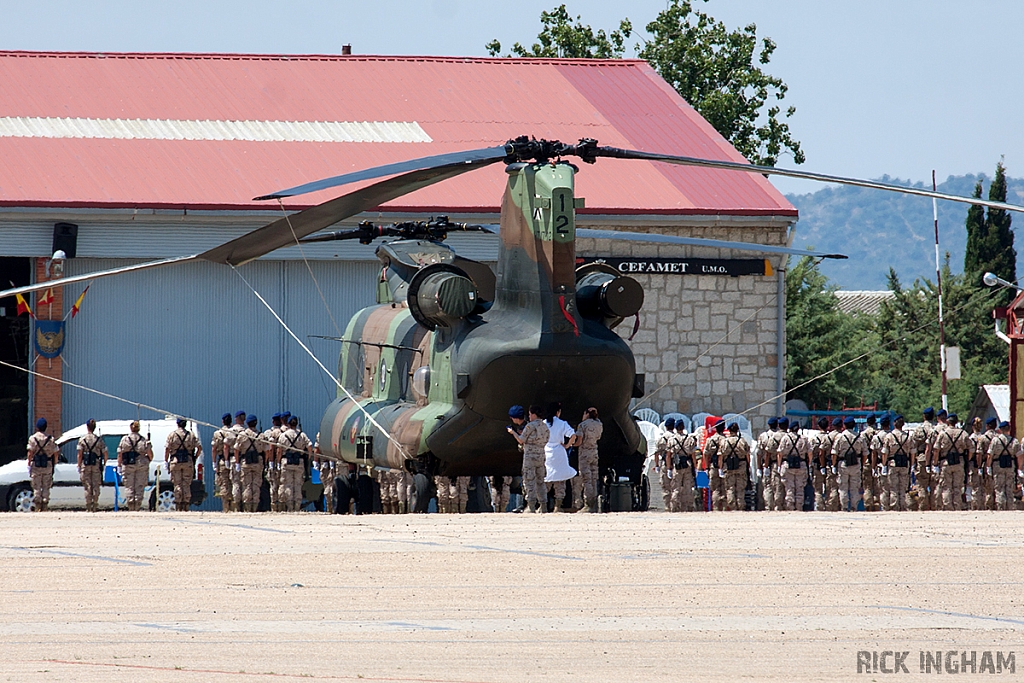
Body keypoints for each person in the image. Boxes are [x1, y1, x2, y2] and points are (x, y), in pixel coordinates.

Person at [508, 405, 548, 513]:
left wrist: (513, 433)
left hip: (530, 457)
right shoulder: (544, 426)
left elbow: (521, 440)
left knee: (529, 481)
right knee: (541, 481)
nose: (529, 416)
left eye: (530, 414)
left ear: (534, 414)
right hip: (541, 455)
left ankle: (531, 506)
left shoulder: (530, 426)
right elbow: (547, 439)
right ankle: (543, 505)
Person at [933, 413, 971, 511]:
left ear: (947, 421)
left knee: (946, 487)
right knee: (957, 487)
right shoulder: (963, 433)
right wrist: (967, 459)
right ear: (956, 422)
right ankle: (957, 506)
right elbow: (972, 449)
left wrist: (935, 463)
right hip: (959, 461)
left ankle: (948, 507)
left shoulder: (943, 433)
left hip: (946, 462)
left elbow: (936, 450)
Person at [543, 402, 576, 512]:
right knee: (560, 480)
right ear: (558, 412)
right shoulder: (562, 423)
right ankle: (558, 506)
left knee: (545, 480)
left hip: (546, 452)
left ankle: (542, 506)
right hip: (559, 453)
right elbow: (573, 435)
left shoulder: (543, 424)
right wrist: (567, 445)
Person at [831, 416, 867, 512]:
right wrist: (861, 464)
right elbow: (865, 454)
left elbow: (834, 453)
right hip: (856, 463)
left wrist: (834, 465)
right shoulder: (860, 437)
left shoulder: (840, 437)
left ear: (844, 425)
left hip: (843, 464)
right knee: (854, 487)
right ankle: (854, 507)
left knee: (843, 487)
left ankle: (844, 507)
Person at [165, 417, 201, 511]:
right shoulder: (191, 435)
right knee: (186, 484)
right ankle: (186, 505)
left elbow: (167, 449)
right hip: (187, 461)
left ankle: (178, 505)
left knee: (177, 484)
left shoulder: (172, 435)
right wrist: (194, 458)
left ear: (177, 424)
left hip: (175, 461)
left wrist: (166, 461)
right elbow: (199, 448)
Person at [277, 415, 312, 512]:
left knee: (288, 484)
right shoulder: (302, 435)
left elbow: (279, 450)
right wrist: (308, 457)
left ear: (288, 423)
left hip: (286, 462)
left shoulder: (283, 435)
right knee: (298, 484)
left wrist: (278, 462)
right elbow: (310, 446)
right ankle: (297, 506)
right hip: (299, 462)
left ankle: (290, 506)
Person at [572, 407, 603, 513]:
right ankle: (594, 503)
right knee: (594, 478)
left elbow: (579, 441)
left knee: (586, 479)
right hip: (594, 452)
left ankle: (588, 504)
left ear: (586, 414)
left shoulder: (582, 425)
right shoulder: (599, 424)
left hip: (584, 454)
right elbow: (598, 437)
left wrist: (572, 445)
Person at [117, 420, 153, 512]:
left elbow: (120, 454)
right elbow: (150, 454)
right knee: (139, 486)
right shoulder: (144, 440)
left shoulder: (125, 439)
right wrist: (147, 460)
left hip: (128, 464)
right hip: (141, 464)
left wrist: (119, 466)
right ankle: (137, 507)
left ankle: (130, 507)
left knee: (129, 486)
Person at [232, 414, 265, 512]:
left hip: (245, 461)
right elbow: (267, 450)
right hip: (257, 462)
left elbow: (236, 450)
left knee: (247, 485)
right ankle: (254, 506)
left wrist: (237, 463)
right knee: (256, 485)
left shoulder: (242, 435)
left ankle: (247, 506)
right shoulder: (261, 435)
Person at [26, 417, 59, 512]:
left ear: (37, 427)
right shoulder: (50, 439)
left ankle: (37, 505)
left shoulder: (33, 438)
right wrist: (55, 463)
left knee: (36, 486)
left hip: (36, 465)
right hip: (47, 465)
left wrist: (29, 463)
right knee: (46, 486)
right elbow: (56, 452)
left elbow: (30, 453)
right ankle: (45, 504)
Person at [987, 421, 1021, 511]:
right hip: (1010, 466)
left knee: (999, 488)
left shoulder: (995, 440)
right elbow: (1019, 456)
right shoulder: (1014, 441)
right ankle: (1010, 507)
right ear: (1009, 429)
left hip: (998, 466)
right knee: (1009, 488)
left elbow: (990, 455)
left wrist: (988, 467)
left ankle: (1001, 507)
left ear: (1000, 430)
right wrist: (1019, 468)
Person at [881, 415, 912, 511]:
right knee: (903, 487)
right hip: (904, 463)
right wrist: (911, 464)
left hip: (893, 463)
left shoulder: (889, 436)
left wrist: (884, 465)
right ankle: (903, 506)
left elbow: (885, 453)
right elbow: (913, 452)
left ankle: (895, 507)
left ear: (894, 424)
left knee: (893, 487)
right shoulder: (908, 436)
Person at [776, 420, 808, 511]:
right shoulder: (803, 439)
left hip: (788, 464)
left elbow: (780, 453)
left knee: (789, 487)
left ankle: (790, 507)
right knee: (800, 487)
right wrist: (808, 464)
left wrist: (779, 465)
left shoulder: (785, 438)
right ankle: (799, 506)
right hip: (801, 464)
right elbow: (809, 452)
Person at [76, 418, 108, 512]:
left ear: (87, 427)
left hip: (85, 464)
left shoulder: (82, 439)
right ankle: (95, 504)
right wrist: (104, 463)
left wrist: (78, 465)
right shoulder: (99, 440)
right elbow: (105, 453)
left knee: (87, 485)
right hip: (96, 464)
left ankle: (88, 505)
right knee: (96, 485)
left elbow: (80, 454)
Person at [911, 407, 937, 511]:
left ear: (924, 416)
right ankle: (935, 507)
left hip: (921, 458)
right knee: (935, 485)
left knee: (922, 485)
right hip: (935, 459)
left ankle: (923, 508)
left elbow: (913, 446)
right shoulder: (936, 429)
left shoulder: (918, 429)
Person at [718, 422, 749, 511]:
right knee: (740, 488)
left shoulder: (724, 442)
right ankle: (740, 505)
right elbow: (747, 455)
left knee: (730, 488)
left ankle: (732, 506)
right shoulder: (742, 441)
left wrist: (720, 468)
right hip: (741, 466)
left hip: (728, 466)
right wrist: (748, 466)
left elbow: (720, 456)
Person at [672, 420, 699, 513]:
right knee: (688, 488)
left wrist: (668, 468)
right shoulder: (689, 439)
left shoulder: (672, 439)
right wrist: (695, 467)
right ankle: (688, 507)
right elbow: (693, 455)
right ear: (683, 427)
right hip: (687, 464)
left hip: (677, 465)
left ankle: (675, 507)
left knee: (676, 488)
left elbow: (668, 455)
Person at [211, 413, 234, 512]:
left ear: (222, 421)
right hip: (234, 460)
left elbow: (214, 449)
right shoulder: (234, 432)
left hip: (222, 461)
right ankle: (234, 508)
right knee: (234, 483)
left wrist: (214, 462)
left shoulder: (217, 434)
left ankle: (226, 508)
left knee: (224, 484)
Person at [703, 419, 728, 511]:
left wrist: (706, 467)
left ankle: (716, 508)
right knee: (725, 489)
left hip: (713, 466)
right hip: (725, 466)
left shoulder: (710, 440)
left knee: (715, 489)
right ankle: (725, 509)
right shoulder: (726, 440)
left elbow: (705, 454)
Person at [757, 417, 781, 511]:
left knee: (767, 486)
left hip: (766, 464)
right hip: (777, 464)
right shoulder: (781, 436)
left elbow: (759, 453)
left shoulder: (763, 436)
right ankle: (777, 506)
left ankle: (768, 506)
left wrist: (759, 467)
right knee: (778, 486)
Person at [262, 413, 284, 512]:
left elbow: (268, 449)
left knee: (273, 485)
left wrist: (268, 462)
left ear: (273, 421)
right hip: (283, 462)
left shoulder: (268, 433)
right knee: (284, 484)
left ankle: (274, 507)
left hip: (273, 462)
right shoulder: (286, 432)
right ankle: (284, 507)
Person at [808, 417, 831, 511]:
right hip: (829, 464)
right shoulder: (831, 437)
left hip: (817, 465)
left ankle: (820, 507)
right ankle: (830, 507)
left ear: (818, 426)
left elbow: (811, 452)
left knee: (818, 489)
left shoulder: (814, 438)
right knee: (830, 488)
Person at [655, 417, 678, 511]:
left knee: (666, 488)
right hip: (676, 464)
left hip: (665, 464)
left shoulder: (661, 439)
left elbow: (656, 453)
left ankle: (667, 507)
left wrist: (656, 465)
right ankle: (675, 507)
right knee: (676, 487)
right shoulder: (677, 438)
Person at [859, 414, 879, 511]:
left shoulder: (863, 434)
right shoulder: (878, 433)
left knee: (867, 486)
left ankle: (868, 506)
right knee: (877, 486)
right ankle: (876, 504)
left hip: (866, 461)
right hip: (877, 462)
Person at [229, 411, 247, 512]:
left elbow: (226, 447)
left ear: (236, 419)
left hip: (233, 459)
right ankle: (245, 505)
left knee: (235, 482)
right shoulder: (247, 432)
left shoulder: (231, 431)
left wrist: (227, 460)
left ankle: (236, 506)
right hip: (245, 459)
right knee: (245, 483)